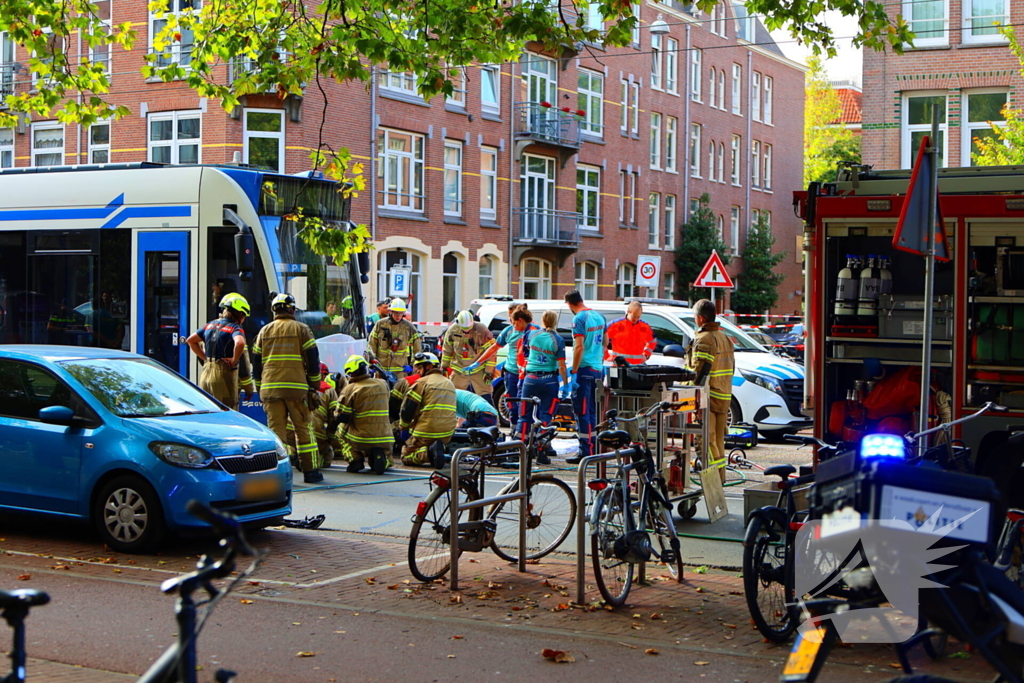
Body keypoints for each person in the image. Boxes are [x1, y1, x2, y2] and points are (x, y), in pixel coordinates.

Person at [252, 293, 324, 484]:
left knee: (276, 434)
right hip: (296, 389)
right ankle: (311, 472)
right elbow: (313, 360)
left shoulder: (264, 331)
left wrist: (260, 388)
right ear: (291, 309)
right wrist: (314, 385)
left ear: (274, 310)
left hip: (270, 389)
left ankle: (277, 474)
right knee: (303, 430)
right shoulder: (302, 329)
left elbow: (256, 364)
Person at [687, 298, 735, 484]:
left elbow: (701, 371)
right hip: (723, 396)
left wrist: (695, 399)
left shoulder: (705, 338)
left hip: (707, 397)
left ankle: (712, 482)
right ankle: (720, 481)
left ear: (700, 319)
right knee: (718, 442)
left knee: (706, 441)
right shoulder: (725, 338)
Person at [467, 304, 535, 432]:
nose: (510, 320)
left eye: (512, 317)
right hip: (512, 372)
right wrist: (478, 362)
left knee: (527, 404)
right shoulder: (508, 331)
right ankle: (515, 429)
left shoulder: (534, 330)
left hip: (528, 373)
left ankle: (526, 432)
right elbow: (494, 348)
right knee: (511, 402)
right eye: (509, 317)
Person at [185, 293, 255, 410]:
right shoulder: (235, 328)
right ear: (240, 314)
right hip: (222, 376)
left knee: (209, 411)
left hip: (205, 375)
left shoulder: (209, 325)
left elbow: (190, 341)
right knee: (227, 411)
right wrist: (233, 360)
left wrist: (205, 359)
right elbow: (240, 343)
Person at [518, 310, 568, 465]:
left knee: (524, 415)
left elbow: (524, 354)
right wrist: (565, 384)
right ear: (555, 322)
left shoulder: (531, 335)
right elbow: (561, 365)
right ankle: (541, 451)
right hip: (549, 380)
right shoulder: (558, 339)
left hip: (530, 378)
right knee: (546, 416)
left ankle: (519, 450)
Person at [334, 355, 394, 474]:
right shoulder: (382, 384)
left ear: (351, 373)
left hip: (361, 438)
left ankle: (355, 459)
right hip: (385, 436)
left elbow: (343, 417)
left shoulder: (350, 389)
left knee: (339, 431)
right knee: (386, 453)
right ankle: (384, 460)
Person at [565, 289, 606, 461]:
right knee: (592, 411)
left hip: (584, 370)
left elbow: (579, 346)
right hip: (598, 370)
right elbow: (606, 342)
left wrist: (574, 370)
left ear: (569, 304)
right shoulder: (599, 316)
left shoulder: (579, 319)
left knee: (581, 411)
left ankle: (585, 451)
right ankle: (595, 446)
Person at [398, 352, 457, 468]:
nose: (417, 371)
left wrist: (403, 429)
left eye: (420, 368)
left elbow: (407, 410)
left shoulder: (422, 382)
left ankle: (430, 453)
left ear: (429, 366)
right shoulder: (449, 383)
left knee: (405, 455)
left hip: (426, 432)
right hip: (447, 434)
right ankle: (438, 449)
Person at [441, 310, 495, 400]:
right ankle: (456, 414)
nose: (467, 333)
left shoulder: (482, 329)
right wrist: (444, 366)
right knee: (454, 396)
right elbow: (447, 350)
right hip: (460, 370)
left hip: (478, 370)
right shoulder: (452, 330)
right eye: (464, 330)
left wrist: (488, 372)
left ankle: (487, 414)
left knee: (485, 396)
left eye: (469, 330)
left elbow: (491, 352)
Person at [367, 297, 421, 379]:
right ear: (391, 312)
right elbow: (371, 345)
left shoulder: (408, 327)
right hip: (382, 370)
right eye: (396, 313)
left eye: (401, 313)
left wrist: (412, 365)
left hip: (400, 372)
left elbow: (417, 348)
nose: (398, 316)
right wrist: (372, 363)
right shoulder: (380, 324)